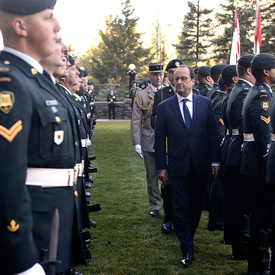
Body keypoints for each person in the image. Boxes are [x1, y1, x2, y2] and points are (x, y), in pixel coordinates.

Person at [0, 1, 87, 274]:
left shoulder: (34, 80)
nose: (57, 25)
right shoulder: (10, 82)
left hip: (52, 225)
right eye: (49, 17)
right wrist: (21, 260)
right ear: (20, 26)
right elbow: (5, 179)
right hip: (31, 237)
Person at [154, 65, 220, 267]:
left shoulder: (205, 103)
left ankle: (188, 237)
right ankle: (187, 248)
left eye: (183, 78)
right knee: (180, 207)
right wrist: (161, 167)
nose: (179, 82)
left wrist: (215, 161)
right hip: (177, 167)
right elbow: (159, 141)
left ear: (193, 80)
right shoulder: (164, 107)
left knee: (196, 207)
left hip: (200, 166)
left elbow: (212, 136)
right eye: (176, 79)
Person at [241, 53, 275, 275]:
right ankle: (258, 264)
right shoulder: (261, 95)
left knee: (261, 216)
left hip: (255, 162)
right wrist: (269, 165)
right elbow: (263, 136)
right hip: (260, 164)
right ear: (266, 71)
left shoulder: (261, 92)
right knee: (263, 217)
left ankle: (258, 261)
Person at [225, 54, 255, 260]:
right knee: (242, 204)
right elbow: (246, 125)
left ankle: (239, 245)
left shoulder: (238, 89)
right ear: (249, 71)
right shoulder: (245, 92)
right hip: (240, 150)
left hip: (233, 149)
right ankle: (241, 247)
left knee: (237, 201)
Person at [151, 58, 183, 233]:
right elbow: (153, 120)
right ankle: (169, 216)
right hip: (169, 145)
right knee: (168, 185)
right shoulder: (161, 95)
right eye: (170, 72)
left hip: (187, 146)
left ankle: (183, 216)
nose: (174, 76)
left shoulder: (194, 93)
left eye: (177, 72)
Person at [131, 63, 163, 217]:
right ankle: (155, 205)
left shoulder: (169, 92)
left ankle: (171, 202)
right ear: (149, 76)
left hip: (168, 140)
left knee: (170, 173)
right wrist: (137, 142)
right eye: (155, 75)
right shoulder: (141, 95)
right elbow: (136, 120)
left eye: (160, 74)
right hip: (149, 138)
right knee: (151, 176)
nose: (158, 78)